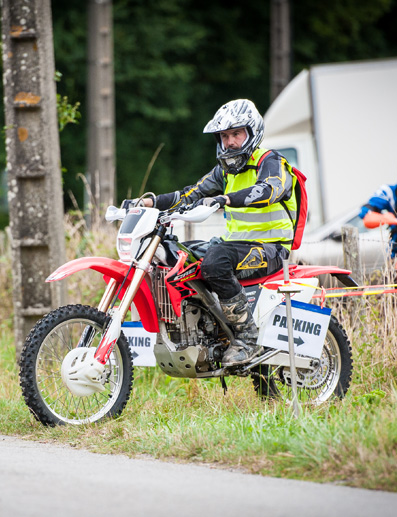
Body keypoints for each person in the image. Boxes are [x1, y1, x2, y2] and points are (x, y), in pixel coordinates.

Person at [128, 99, 301, 366]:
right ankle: (205, 329)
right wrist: (147, 203)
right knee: (177, 254)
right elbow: (190, 193)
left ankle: (247, 337)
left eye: (236, 134)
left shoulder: (272, 161)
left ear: (252, 133)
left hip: (272, 248)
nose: (229, 142)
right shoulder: (224, 172)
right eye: (224, 136)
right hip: (236, 246)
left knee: (216, 260)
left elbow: (268, 190)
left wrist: (225, 199)